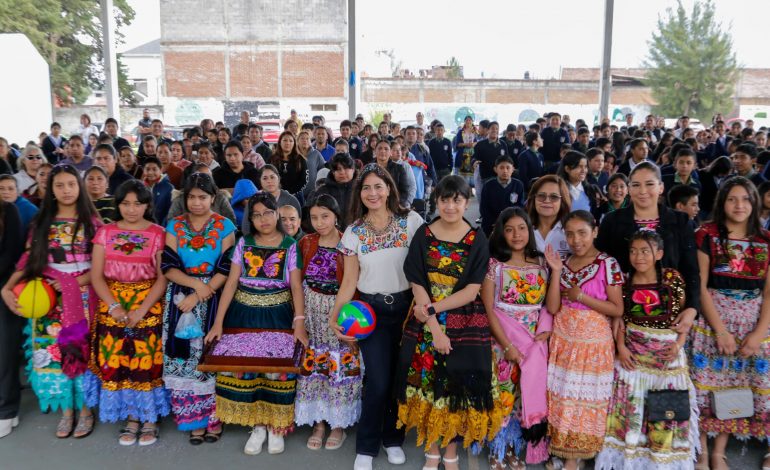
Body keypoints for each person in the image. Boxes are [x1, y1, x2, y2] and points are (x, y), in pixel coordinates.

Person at [396, 176, 501, 470]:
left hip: (463, 320)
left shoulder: (476, 238)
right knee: (429, 387)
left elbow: (471, 290)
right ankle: (432, 450)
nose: (450, 206)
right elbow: (416, 278)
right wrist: (433, 325)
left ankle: (451, 452)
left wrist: (431, 308)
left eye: (457, 200)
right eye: (444, 199)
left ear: (467, 202)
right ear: (437, 201)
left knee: (457, 388)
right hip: (425, 323)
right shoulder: (425, 233)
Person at [330, 164, 424, 470]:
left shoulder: (411, 221)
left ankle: (393, 438)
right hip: (372, 313)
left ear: (389, 189)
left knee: (399, 379)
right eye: (366, 188)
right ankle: (366, 447)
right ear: (360, 193)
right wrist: (336, 317)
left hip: (409, 309)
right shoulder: (353, 232)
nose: (373, 193)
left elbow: (425, 266)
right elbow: (348, 281)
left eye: (378, 187)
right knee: (379, 381)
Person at [1, 164, 102, 439]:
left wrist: (74, 282)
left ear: (79, 187)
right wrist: (8, 287)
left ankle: (85, 410)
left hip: (81, 296)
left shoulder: (93, 223)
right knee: (52, 353)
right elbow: (29, 260)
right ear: (51, 190)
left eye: (71, 184)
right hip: (48, 298)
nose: (66, 190)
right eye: (60, 185)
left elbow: (101, 266)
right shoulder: (40, 223)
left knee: (81, 350)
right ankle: (65, 411)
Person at [205, 192, 308, 456]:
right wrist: (218, 323)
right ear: (250, 219)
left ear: (277, 215)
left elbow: (296, 286)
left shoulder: (290, 245)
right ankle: (258, 426)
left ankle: (276, 426)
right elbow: (231, 283)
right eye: (257, 214)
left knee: (276, 371)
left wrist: (299, 323)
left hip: (279, 315)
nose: (263, 219)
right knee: (249, 370)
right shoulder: (244, 243)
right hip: (244, 314)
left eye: (268, 213)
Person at [595, 230, 698, 469]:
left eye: (645, 251)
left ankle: (661, 461)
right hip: (634, 357)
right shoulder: (625, 282)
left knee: (665, 413)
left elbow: (683, 316)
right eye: (633, 251)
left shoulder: (672, 279)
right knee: (632, 409)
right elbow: (620, 320)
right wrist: (621, 347)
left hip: (666, 361)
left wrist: (679, 343)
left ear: (659, 253)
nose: (638, 256)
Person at [690, 177, 770, 470]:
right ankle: (700, 450)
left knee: (736, 385)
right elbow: (700, 285)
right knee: (704, 385)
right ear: (722, 202)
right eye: (732, 199)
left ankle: (719, 451)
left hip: (751, 323)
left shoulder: (765, 240)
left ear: (755, 202)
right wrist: (720, 330)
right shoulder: (706, 234)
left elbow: (769, 292)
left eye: (746, 199)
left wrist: (758, 334)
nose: (739, 205)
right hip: (713, 322)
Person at [83, 180, 169, 446]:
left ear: (147, 205)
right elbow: (96, 276)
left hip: (149, 304)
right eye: (125, 203)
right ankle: (132, 416)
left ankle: (150, 417)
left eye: (138, 203)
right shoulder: (105, 233)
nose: (132, 209)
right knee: (118, 360)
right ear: (117, 204)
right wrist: (114, 306)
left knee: (147, 360)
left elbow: (162, 278)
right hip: (113, 305)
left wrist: (143, 309)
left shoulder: (158, 233)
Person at [543, 210, 624, 469]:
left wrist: (581, 297)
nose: (576, 240)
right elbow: (553, 307)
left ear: (595, 232)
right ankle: (561, 447)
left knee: (582, 399)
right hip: (564, 340)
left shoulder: (606, 263)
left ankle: (573, 458)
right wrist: (556, 271)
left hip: (592, 345)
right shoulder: (563, 262)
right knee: (562, 397)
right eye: (570, 234)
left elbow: (617, 309)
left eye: (582, 233)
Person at [162, 172, 236, 444]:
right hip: (182, 298)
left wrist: (205, 290)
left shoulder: (225, 225)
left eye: (202, 197)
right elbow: (168, 265)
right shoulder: (174, 225)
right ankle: (194, 419)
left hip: (214, 298)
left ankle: (214, 417)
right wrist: (194, 288)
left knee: (209, 354)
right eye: (191, 197)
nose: (196, 202)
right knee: (185, 356)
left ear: (213, 198)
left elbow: (228, 265)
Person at [481, 207, 551, 468]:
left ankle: (513, 447)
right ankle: (497, 450)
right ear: (501, 233)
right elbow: (489, 310)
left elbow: (547, 305)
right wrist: (507, 345)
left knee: (525, 398)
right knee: (504, 396)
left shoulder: (542, 263)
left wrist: (544, 327)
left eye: (521, 228)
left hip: (533, 346)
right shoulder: (493, 266)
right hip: (503, 345)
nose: (516, 234)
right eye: (509, 229)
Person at [296, 195, 362, 451]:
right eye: (314, 217)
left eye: (325, 216)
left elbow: (351, 282)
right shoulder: (306, 242)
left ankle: (338, 424)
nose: (319, 222)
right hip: (312, 311)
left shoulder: (348, 242)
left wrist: (343, 315)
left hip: (340, 310)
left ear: (336, 216)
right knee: (315, 364)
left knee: (339, 364)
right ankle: (319, 421)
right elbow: (298, 282)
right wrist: (300, 318)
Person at [597, 162, 701, 318]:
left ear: (661, 187)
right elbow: (602, 268)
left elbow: (691, 268)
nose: (643, 191)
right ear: (629, 189)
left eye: (650, 184)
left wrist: (692, 308)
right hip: (623, 309)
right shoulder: (612, 221)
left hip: (670, 310)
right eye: (636, 185)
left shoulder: (680, 221)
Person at [0, 199, 23, 439]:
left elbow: (13, 252)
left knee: (4, 352)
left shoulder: (8, 210)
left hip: (5, 288)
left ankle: (6, 410)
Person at [526, 175, 571, 257]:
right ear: (533, 199)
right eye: (541, 195)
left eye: (554, 197)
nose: (547, 201)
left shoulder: (570, 230)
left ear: (563, 201)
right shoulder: (522, 228)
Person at [479, 156, 525, 236]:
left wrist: (508, 222)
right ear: (495, 169)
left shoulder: (518, 185)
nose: (505, 171)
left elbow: (520, 206)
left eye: (508, 168)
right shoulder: (488, 185)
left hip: (511, 223)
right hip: (491, 224)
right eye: (501, 168)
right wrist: (496, 222)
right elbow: (484, 208)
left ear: (513, 169)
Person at [315, 153, 357, 227]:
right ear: (333, 172)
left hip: (358, 234)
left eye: (346, 168)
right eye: (338, 169)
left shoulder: (362, 190)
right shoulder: (322, 192)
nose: (342, 172)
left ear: (353, 170)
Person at [557, 151, 602, 216]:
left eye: (585, 167)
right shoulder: (557, 189)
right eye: (579, 166)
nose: (583, 170)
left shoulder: (591, 190)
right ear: (567, 169)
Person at [269, 131, 309, 198]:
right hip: (275, 195)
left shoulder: (300, 160)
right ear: (280, 142)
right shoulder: (272, 159)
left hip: (296, 196)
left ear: (294, 143)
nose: (287, 143)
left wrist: (289, 193)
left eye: (291, 141)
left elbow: (304, 180)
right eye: (285, 140)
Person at [142, 157, 173, 225]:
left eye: (154, 169)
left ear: (161, 169)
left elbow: (170, 212)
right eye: (147, 169)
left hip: (161, 227)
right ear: (143, 170)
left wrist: (162, 228)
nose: (150, 172)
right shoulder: (140, 187)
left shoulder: (169, 188)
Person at [297, 130, 327, 201]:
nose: (305, 140)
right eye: (302, 138)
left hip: (313, 192)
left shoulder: (316, 154)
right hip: (296, 192)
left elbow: (323, 170)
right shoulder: (293, 155)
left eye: (307, 139)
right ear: (297, 141)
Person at [454, 116, 477, 182]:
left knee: (472, 179)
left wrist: (473, 144)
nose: (468, 121)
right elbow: (457, 144)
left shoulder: (475, 131)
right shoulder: (460, 132)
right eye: (467, 120)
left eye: (470, 120)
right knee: (461, 179)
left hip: (472, 155)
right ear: (464, 122)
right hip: (462, 156)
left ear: (472, 122)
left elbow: (477, 142)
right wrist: (467, 144)